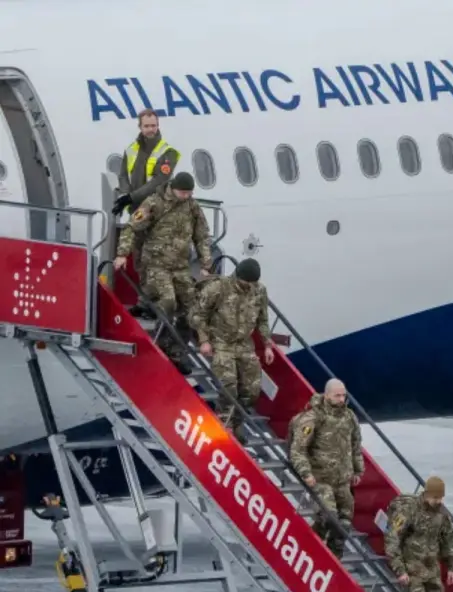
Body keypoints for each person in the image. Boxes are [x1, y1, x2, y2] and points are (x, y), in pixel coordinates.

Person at [113, 172, 210, 372]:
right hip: (156, 265)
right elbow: (132, 227)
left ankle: (175, 351)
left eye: (189, 193)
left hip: (180, 267)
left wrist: (206, 264)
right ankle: (161, 342)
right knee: (168, 302)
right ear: (173, 188)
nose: (185, 196)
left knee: (191, 310)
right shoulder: (154, 203)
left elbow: (201, 237)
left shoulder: (192, 207)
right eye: (182, 192)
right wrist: (122, 254)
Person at [189, 258, 276, 442]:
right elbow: (197, 315)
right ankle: (224, 425)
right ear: (238, 276)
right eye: (246, 283)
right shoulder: (218, 288)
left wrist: (267, 344)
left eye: (253, 283)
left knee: (252, 390)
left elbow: (263, 320)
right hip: (221, 343)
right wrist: (204, 340)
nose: (249, 287)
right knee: (228, 386)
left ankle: (236, 423)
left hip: (244, 344)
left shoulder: (259, 291)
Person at [287, 378, 364, 557]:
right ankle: (309, 544)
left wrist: (358, 470)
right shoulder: (313, 417)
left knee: (344, 524)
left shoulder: (349, 416)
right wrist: (305, 473)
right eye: (337, 395)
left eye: (344, 395)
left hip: (342, 481)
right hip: (320, 479)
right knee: (329, 517)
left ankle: (333, 557)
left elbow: (355, 444)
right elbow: (298, 449)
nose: (341, 399)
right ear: (327, 395)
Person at [113, 109, 180, 216]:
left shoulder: (168, 152)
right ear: (140, 127)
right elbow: (123, 175)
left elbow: (158, 181)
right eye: (146, 126)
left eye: (153, 126)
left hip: (158, 210)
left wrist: (131, 197)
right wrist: (124, 197)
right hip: (136, 210)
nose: (150, 129)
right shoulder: (131, 150)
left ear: (158, 126)